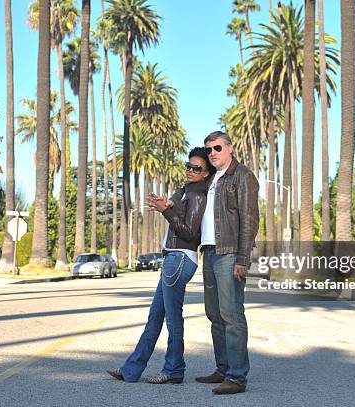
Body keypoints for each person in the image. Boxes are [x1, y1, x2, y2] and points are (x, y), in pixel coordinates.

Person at [107, 147, 215, 384]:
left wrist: (166, 211)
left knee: (172, 319)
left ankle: (174, 370)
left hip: (180, 258)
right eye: (189, 166)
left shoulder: (198, 196)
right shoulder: (186, 192)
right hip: (173, 259)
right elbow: (177, 213)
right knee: (155, 317)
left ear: (206, 173)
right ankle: (131, 370)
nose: (190, 170)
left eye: (197, 168)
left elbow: (189, 232)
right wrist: (165, 204)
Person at [194, 131, 259, 395]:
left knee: (232, 315)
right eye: (209, 150)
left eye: (217, 148)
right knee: (215, 315)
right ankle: (222, 369)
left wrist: (243, 259)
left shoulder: (242, 176)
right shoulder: (212, 179)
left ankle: (237, 377)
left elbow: (250, 220)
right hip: (209, 252)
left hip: (230, 253)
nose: (213, 153)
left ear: (229, 148)